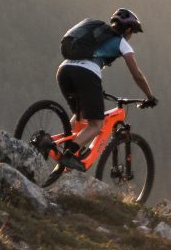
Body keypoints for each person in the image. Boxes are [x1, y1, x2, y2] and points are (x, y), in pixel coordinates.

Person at [55, 8, 155, 155]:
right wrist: (150, 96)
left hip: (64, 69)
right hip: (86, 73)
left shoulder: (96, 36)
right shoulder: (121, 43)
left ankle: (56, 146)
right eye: (132, 32)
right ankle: (69, 153)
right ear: (128, 29)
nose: (131, 35)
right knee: (96, 124)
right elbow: (137, 75)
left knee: (80, 114)